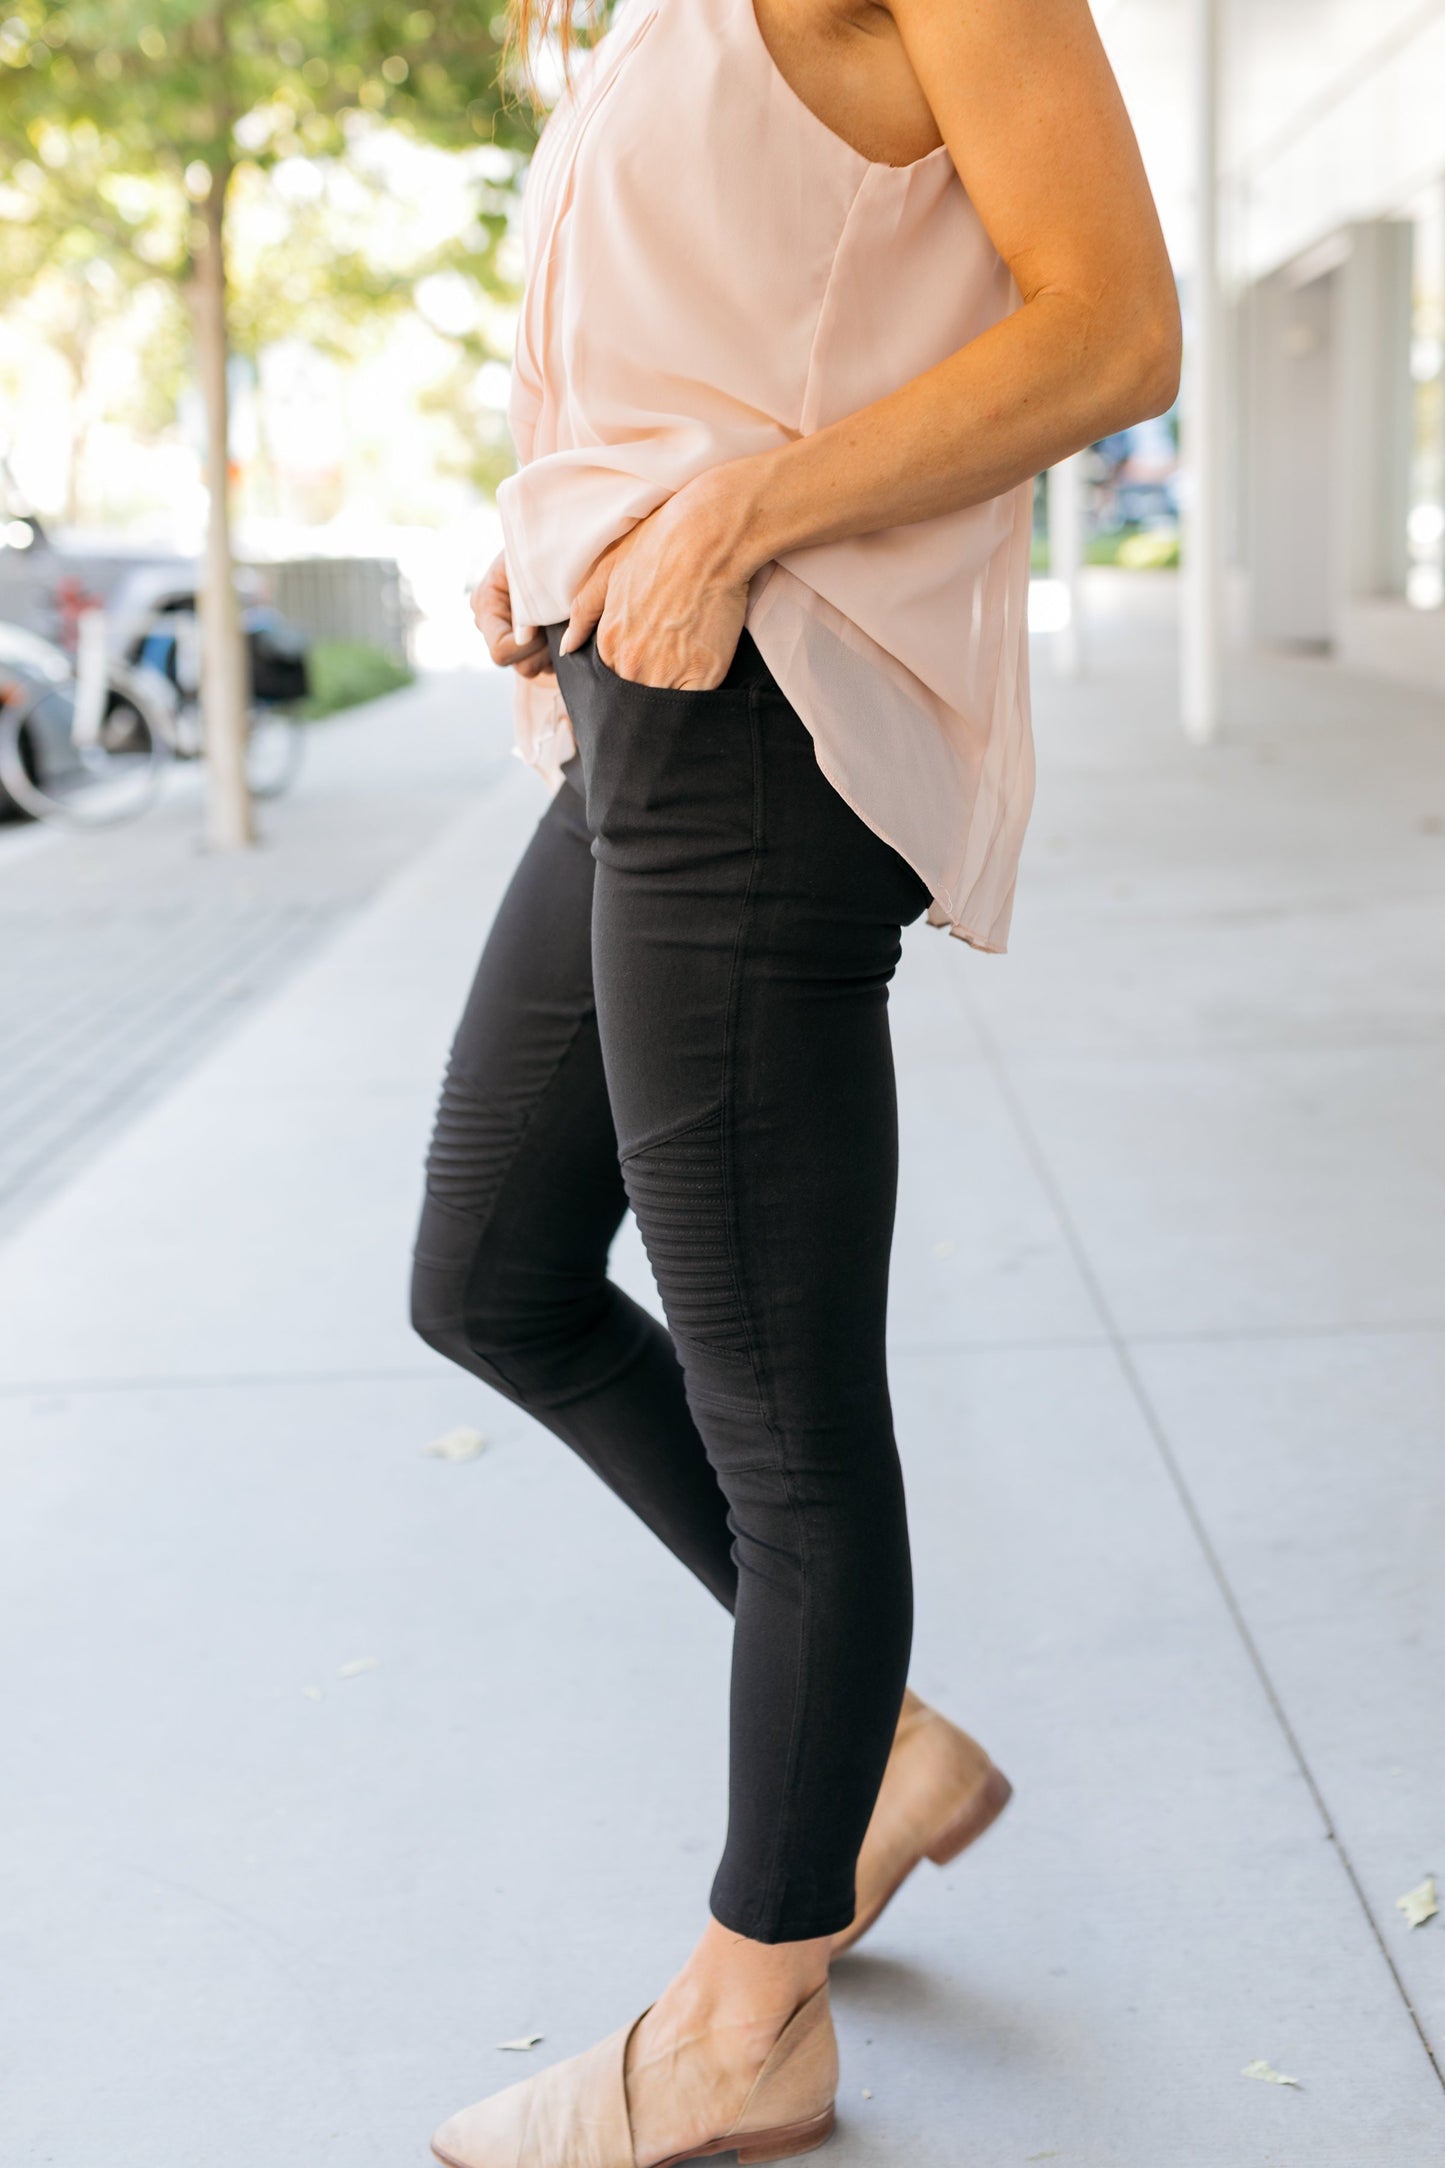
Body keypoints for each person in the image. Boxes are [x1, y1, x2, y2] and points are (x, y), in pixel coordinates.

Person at [410, 0, 1180, 2157]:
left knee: (784, 1417)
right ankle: (885, 1758)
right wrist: (560, 531)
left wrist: (738, 509)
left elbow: (1116, 329)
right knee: (491, 1271)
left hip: (776, 710)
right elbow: (713, 334)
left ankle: (750, 2026)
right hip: (640, 696)